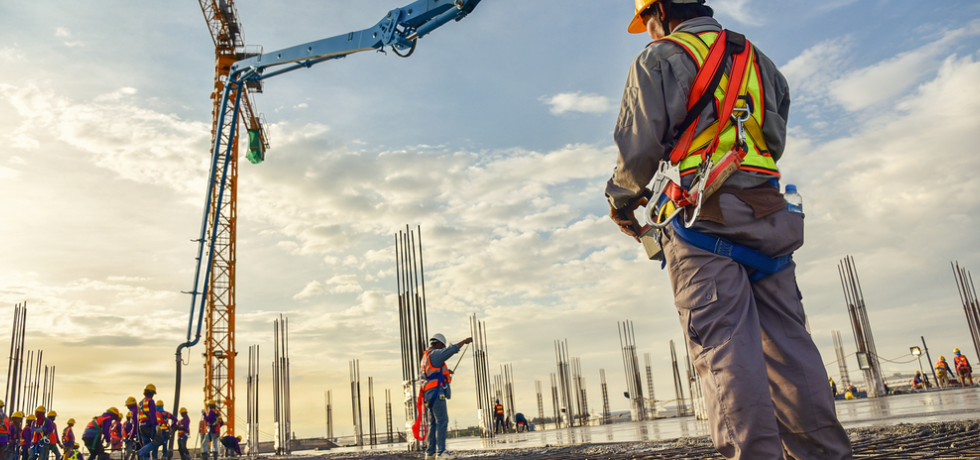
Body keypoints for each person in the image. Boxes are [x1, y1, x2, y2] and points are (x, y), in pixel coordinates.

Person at [605, 1, 853, 459]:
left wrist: (620, 200)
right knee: (791, 349)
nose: (647, 32)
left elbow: (638, 150)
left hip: (703, 220)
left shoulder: (658, 57)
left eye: (647, 22)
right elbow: (773, 139)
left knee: (726, 353)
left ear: (658, 10)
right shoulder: (758, 59)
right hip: (769, 216)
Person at [419, 333, 472, 460]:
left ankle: (430, 452)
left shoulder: (426, 357)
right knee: (442, 421)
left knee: (434, 423)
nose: (442, 349)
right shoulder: (435, 354)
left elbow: (433, 373)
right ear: (438, 344)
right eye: (442, 346)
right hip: (436, 393)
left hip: (428, 395)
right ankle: (441, 452)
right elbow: (450, 350)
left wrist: (446, 372)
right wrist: (464, 341)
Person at [135, 385, 156, 460]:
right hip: (149, 425)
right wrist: (156, 425)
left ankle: (145, 457)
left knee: (146, 444)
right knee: (159, 440)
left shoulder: (140, 403)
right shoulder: (150, 401)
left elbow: (138, 417)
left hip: (141, 426)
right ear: (151, 393)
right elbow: (153, 415)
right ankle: (141, 452)